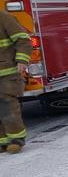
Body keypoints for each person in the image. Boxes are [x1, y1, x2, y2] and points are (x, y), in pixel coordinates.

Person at [0, 9, 31, 154]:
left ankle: (16, 140)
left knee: (7, 105)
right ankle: (2, 141)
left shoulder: (5, 18)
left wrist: (22, 60)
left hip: (7, 73)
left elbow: (23, 40)